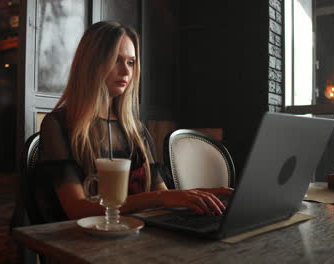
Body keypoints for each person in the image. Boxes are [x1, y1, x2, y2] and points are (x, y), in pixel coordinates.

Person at [39, 21, 233, 222]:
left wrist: (209, 194)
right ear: (91, 63)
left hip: (136, 235)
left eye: (131, 62)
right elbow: (77, 210)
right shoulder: (58, 124)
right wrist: (161, 197)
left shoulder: (134, 129)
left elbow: (161, 193)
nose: (126, 71)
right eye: (116, 60)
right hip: (83, 240)